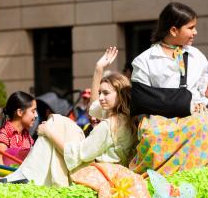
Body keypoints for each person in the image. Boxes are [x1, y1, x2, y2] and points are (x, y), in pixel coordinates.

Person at [129, 2, 208, 175]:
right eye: (191, 27)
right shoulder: (145, 60)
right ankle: (155, 181)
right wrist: (184, 103)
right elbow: (142, 100)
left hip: (195, 119)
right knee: (153, 137)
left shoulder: (196, 55)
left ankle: (187, 181)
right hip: (159, 123)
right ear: (173, 30)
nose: (195, 32)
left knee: (202, 124)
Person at [8, 47, 135, 186]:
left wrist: (49, 133)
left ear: (120, 95)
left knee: (54, 124)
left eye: (106, 93)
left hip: (98, 176)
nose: (101, 98)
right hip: (109, 173)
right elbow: (93, 108)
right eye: (100, 93)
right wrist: (98, 69)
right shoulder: (123, 118)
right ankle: (26, 175)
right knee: (58, 121)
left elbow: (76, 155)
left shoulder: (107, 126)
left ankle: (25, 176)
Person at [0, 91, 37, 165]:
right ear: (20, 112)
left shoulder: (27, 136)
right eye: (33, 111)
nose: (36, 115)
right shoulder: (2, 138)